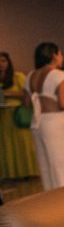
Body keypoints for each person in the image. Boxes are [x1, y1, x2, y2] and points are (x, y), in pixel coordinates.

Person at [24, 42, 64, 189]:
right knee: (62, 161)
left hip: (38, 123)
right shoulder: (59, 75)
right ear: (54, 55)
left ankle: (52, 196)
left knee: (45, 162)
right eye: (60, 53)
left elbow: (27, 103)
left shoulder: (30, 76)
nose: (62, 57)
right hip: (55, 122)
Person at [0, 51, 39, 179]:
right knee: (6, 144)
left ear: (9, 62)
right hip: (3, 116)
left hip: (18, 114)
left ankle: (28, 171)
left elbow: (26, 94)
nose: (1, 64)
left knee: (23, 142)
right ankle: (11, 174)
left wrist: (7, 94)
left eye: (4, 61)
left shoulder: (18, 77)